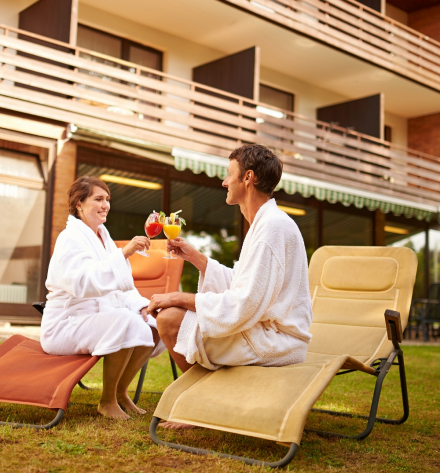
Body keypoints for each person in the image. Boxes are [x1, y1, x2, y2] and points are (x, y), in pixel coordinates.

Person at [148, 144, 313, 378]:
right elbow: (243, 285)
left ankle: (200, 394)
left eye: (229, 174)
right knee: (174, 314)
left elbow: (244, 303)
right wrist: (196, 258)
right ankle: (203, 390)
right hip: (265, 333)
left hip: (276, 341)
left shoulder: (271, 227)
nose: (225, 182)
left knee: (169, 319)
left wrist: (177, 297)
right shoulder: (267, 223)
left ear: (247, 178)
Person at [41, 176, 165, 420]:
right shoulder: (69, 238)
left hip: (94, 319)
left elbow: (120, 287)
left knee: (152, 323)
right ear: (79, 203)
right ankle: (107, 401)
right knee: (125, 321)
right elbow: (81, 283)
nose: (105, 205)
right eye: (98, 199)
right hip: (66, 324)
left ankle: (120, 392)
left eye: (107, 199)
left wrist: (142, 306)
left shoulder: (102, 237)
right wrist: (124, 253)